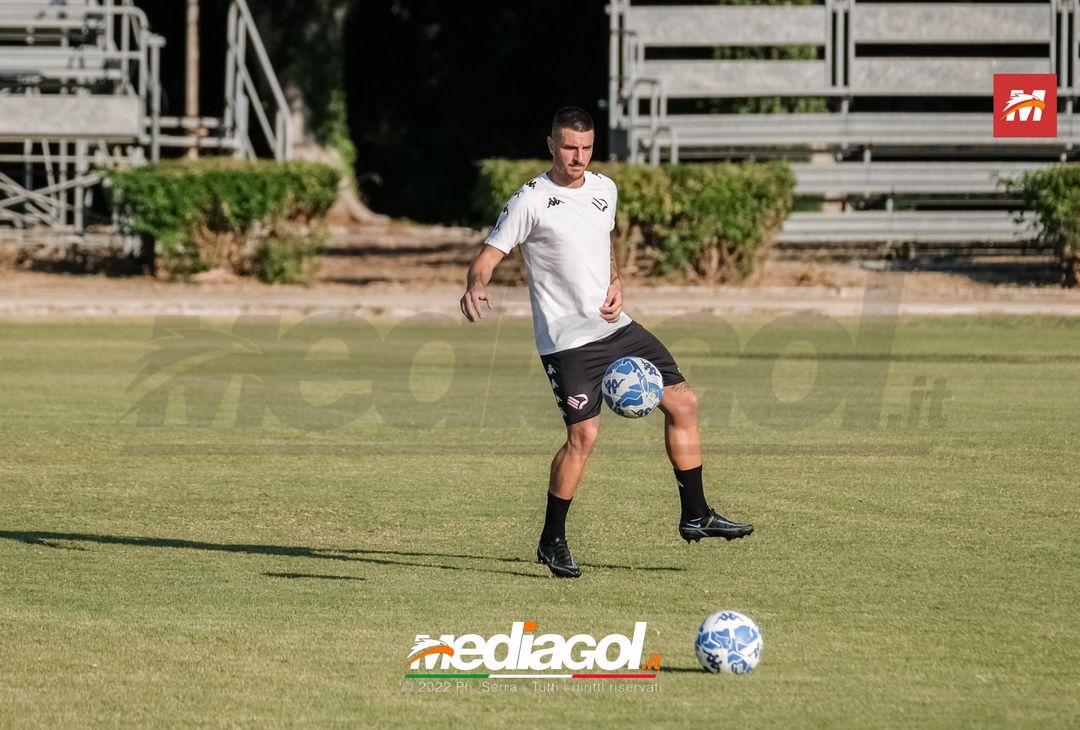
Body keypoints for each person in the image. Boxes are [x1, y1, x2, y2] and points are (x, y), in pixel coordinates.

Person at [459, 107, 753, 579]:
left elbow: (603, 247)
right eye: (569, 147)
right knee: (584, 436)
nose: (578, 157)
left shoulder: (603, 189)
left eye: (587, 148)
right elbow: (488, 256)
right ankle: (552, 540)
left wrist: (617, 284)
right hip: (568, 342)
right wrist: (476, 285)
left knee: (684, 402)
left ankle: (695, 513)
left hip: (617, 327)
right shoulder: (530, 201)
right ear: (551, 144)